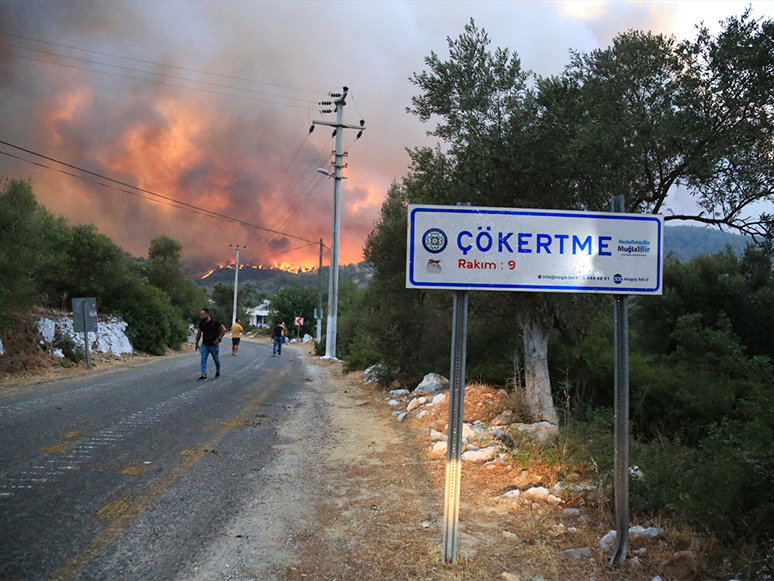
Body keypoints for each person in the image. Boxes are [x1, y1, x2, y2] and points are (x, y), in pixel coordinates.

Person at [195, 309, 226, 380]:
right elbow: (199, 333)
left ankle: (218, 370)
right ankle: (203, 374)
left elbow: (223, 329)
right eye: (201, 315)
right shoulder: (202, 323)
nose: (201, 316)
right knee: (203, 359)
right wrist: (196, 343)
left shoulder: (215, 322)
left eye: (203, 314)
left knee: (216, 359)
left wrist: (219, 339)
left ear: (207, 314)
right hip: (205, 345)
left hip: (214, 345)